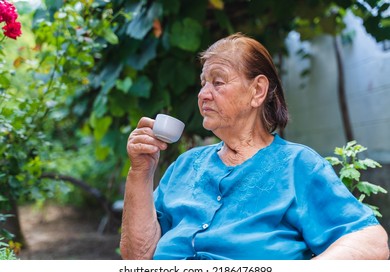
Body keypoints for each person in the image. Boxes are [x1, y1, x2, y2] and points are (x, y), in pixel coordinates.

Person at [120, 33, 389, 260]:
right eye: (203, 83)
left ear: (258, 91)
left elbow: (371, 241)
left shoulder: (296, 165)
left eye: (218, 82)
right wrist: (140, 173)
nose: (203, 94)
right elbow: (137, 258)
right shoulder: (185, 165)